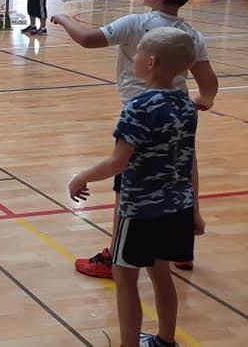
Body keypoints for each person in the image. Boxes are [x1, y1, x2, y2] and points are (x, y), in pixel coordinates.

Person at [52, 0, 218, 279]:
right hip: (178, 112)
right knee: (183, 170)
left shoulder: (137, 24)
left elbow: (88, 39)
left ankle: (115, 256)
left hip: (142, 115)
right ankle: (181, 246)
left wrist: (63, 18)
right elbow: (208, 81)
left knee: (128, 180)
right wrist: (204, 100)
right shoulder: (191, 35)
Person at [68, 27, 199, 347]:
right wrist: (194, 209)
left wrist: (82, 177)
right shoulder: (186, 106)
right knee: (161, 273)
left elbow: (117, 163)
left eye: (138, 52)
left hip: (141, 210)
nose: (134, 56)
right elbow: (188, 161)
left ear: (150, 62)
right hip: (178, 208)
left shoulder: (139, 107)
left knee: (125, 276)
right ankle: (165, 341)